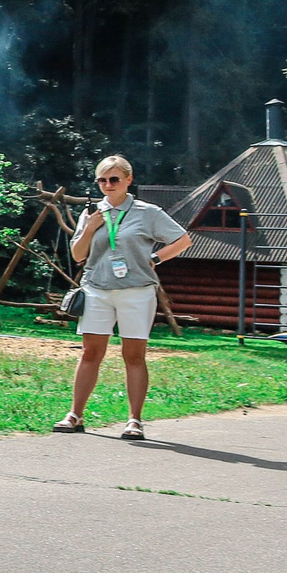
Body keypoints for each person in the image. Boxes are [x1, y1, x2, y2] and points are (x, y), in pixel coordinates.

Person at [56, 153, 192, 440]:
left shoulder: (147, 212)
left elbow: (183, 240)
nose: (108, 184)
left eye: (114, 179)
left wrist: (155, 258)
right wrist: (91, 228)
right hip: (97, 289)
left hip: (136, 292)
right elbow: (78, 255)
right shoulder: (91, 213)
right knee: (91, 353)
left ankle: (134, 420)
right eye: (102, 180)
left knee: (133, 356)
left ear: (128, 180)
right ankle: (75, 415)